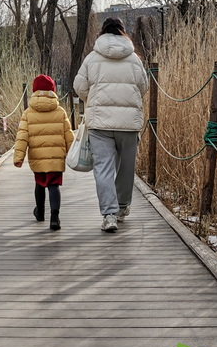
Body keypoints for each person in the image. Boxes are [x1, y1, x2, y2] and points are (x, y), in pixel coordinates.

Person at [73, 17, 148, 233]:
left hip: (100, 123)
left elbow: (80, 86)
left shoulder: (92, 57)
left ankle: (109, 215)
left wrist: (93, 99)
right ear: (122, 32)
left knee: (103, 170)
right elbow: (143, 87)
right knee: (125, 168)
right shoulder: (134, 58)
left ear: (102, 33)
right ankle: (123, 207)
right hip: (128, 124)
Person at [13, 74, 74, 231]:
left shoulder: (28, 113)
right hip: (56, 157)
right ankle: (55, 217)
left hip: (38, 157)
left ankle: (40, 212)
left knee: (40, 183)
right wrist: (73, 152)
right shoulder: (60, 111)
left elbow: (22, 137)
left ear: (34, 91)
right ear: (53, 91)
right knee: (54, 185)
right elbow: (69, 135)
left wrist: (18, 157)